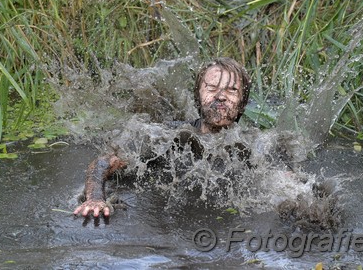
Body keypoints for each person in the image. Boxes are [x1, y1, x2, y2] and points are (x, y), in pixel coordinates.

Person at [73, 57, 251, 219]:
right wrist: (95, 198)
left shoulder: (253, 147)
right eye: (211, 88)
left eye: (232, 90)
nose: (220, 96)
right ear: (198, 97)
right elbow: (107, 161)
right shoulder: (168, 136)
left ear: (242, 102)